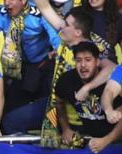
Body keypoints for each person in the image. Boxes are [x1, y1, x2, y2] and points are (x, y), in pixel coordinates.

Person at [6, 0, 114, 137]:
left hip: (82, 112)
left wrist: (87, 88)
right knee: (11, 122)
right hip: (55, 103)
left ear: (78, 32)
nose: (62, 25)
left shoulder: (93, 48)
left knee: (11, 122)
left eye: (66, 24)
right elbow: (44, 6)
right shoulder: (67, 38)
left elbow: (112, 68)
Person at [0, 0, 61, 115]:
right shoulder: (0, 13)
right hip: (15, 69)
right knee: (11, 113)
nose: (7, 3)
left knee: (45, 109)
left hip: (42, 66)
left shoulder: (40, 13)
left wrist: (58, 50)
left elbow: (57, 39)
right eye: (5, 0)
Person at [55, 41, 122, 152]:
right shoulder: (67, 80)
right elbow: (59, 103)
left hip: (116, 140)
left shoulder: (110, 83)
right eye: (78, 60)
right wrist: (66, 129)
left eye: (88, 60)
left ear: (97, 62)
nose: (83, 65)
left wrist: (106, 140)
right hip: (88, 136)